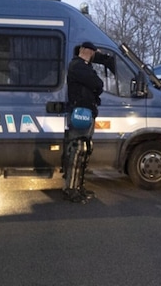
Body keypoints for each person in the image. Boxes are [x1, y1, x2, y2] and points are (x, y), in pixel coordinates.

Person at [62, 41, 104, 203]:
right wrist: (96, 85)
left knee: (84, 149)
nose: (94, 55)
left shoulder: (82, 67)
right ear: (87, 51)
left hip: (85, 111)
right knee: (78, 149)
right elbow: (97, 84)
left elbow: (96, 85)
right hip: (81, 112)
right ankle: (71, 188)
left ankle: (78, 186)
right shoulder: (78, 66)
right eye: (93, 52)